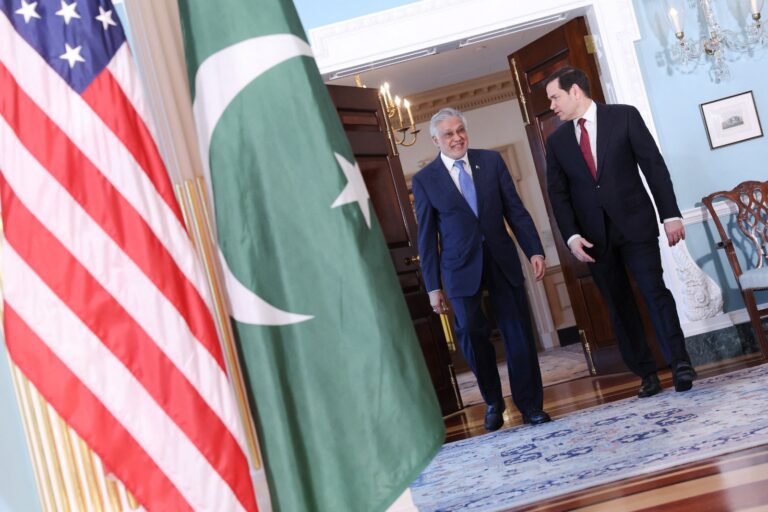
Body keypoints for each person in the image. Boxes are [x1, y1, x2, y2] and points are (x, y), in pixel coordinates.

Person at [543, 66, 696, 398]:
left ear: (574, 91)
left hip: (636, 224)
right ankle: (646, 373)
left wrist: (670, 214)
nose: (552, 106)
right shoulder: (556, 142)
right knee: (618, 304)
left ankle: (680, 363)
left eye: (555, 97)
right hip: (593, 238)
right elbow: (558, 194)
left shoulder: (624, 116)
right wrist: (571, 236)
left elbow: (653, 166)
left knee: (655, 292)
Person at [412, 107, 551, 431]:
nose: (457, 138)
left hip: (502, 260)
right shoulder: (425, 180)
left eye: (460, 130)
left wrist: (534, 249)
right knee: (472, 336)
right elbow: (426, 237)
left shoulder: (491, 162)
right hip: (459, 269)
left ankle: (531, 406)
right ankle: (493, 400)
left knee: (518, 334)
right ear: (436, 140)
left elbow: (515, 210)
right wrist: (433, 286)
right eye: (449, 134)